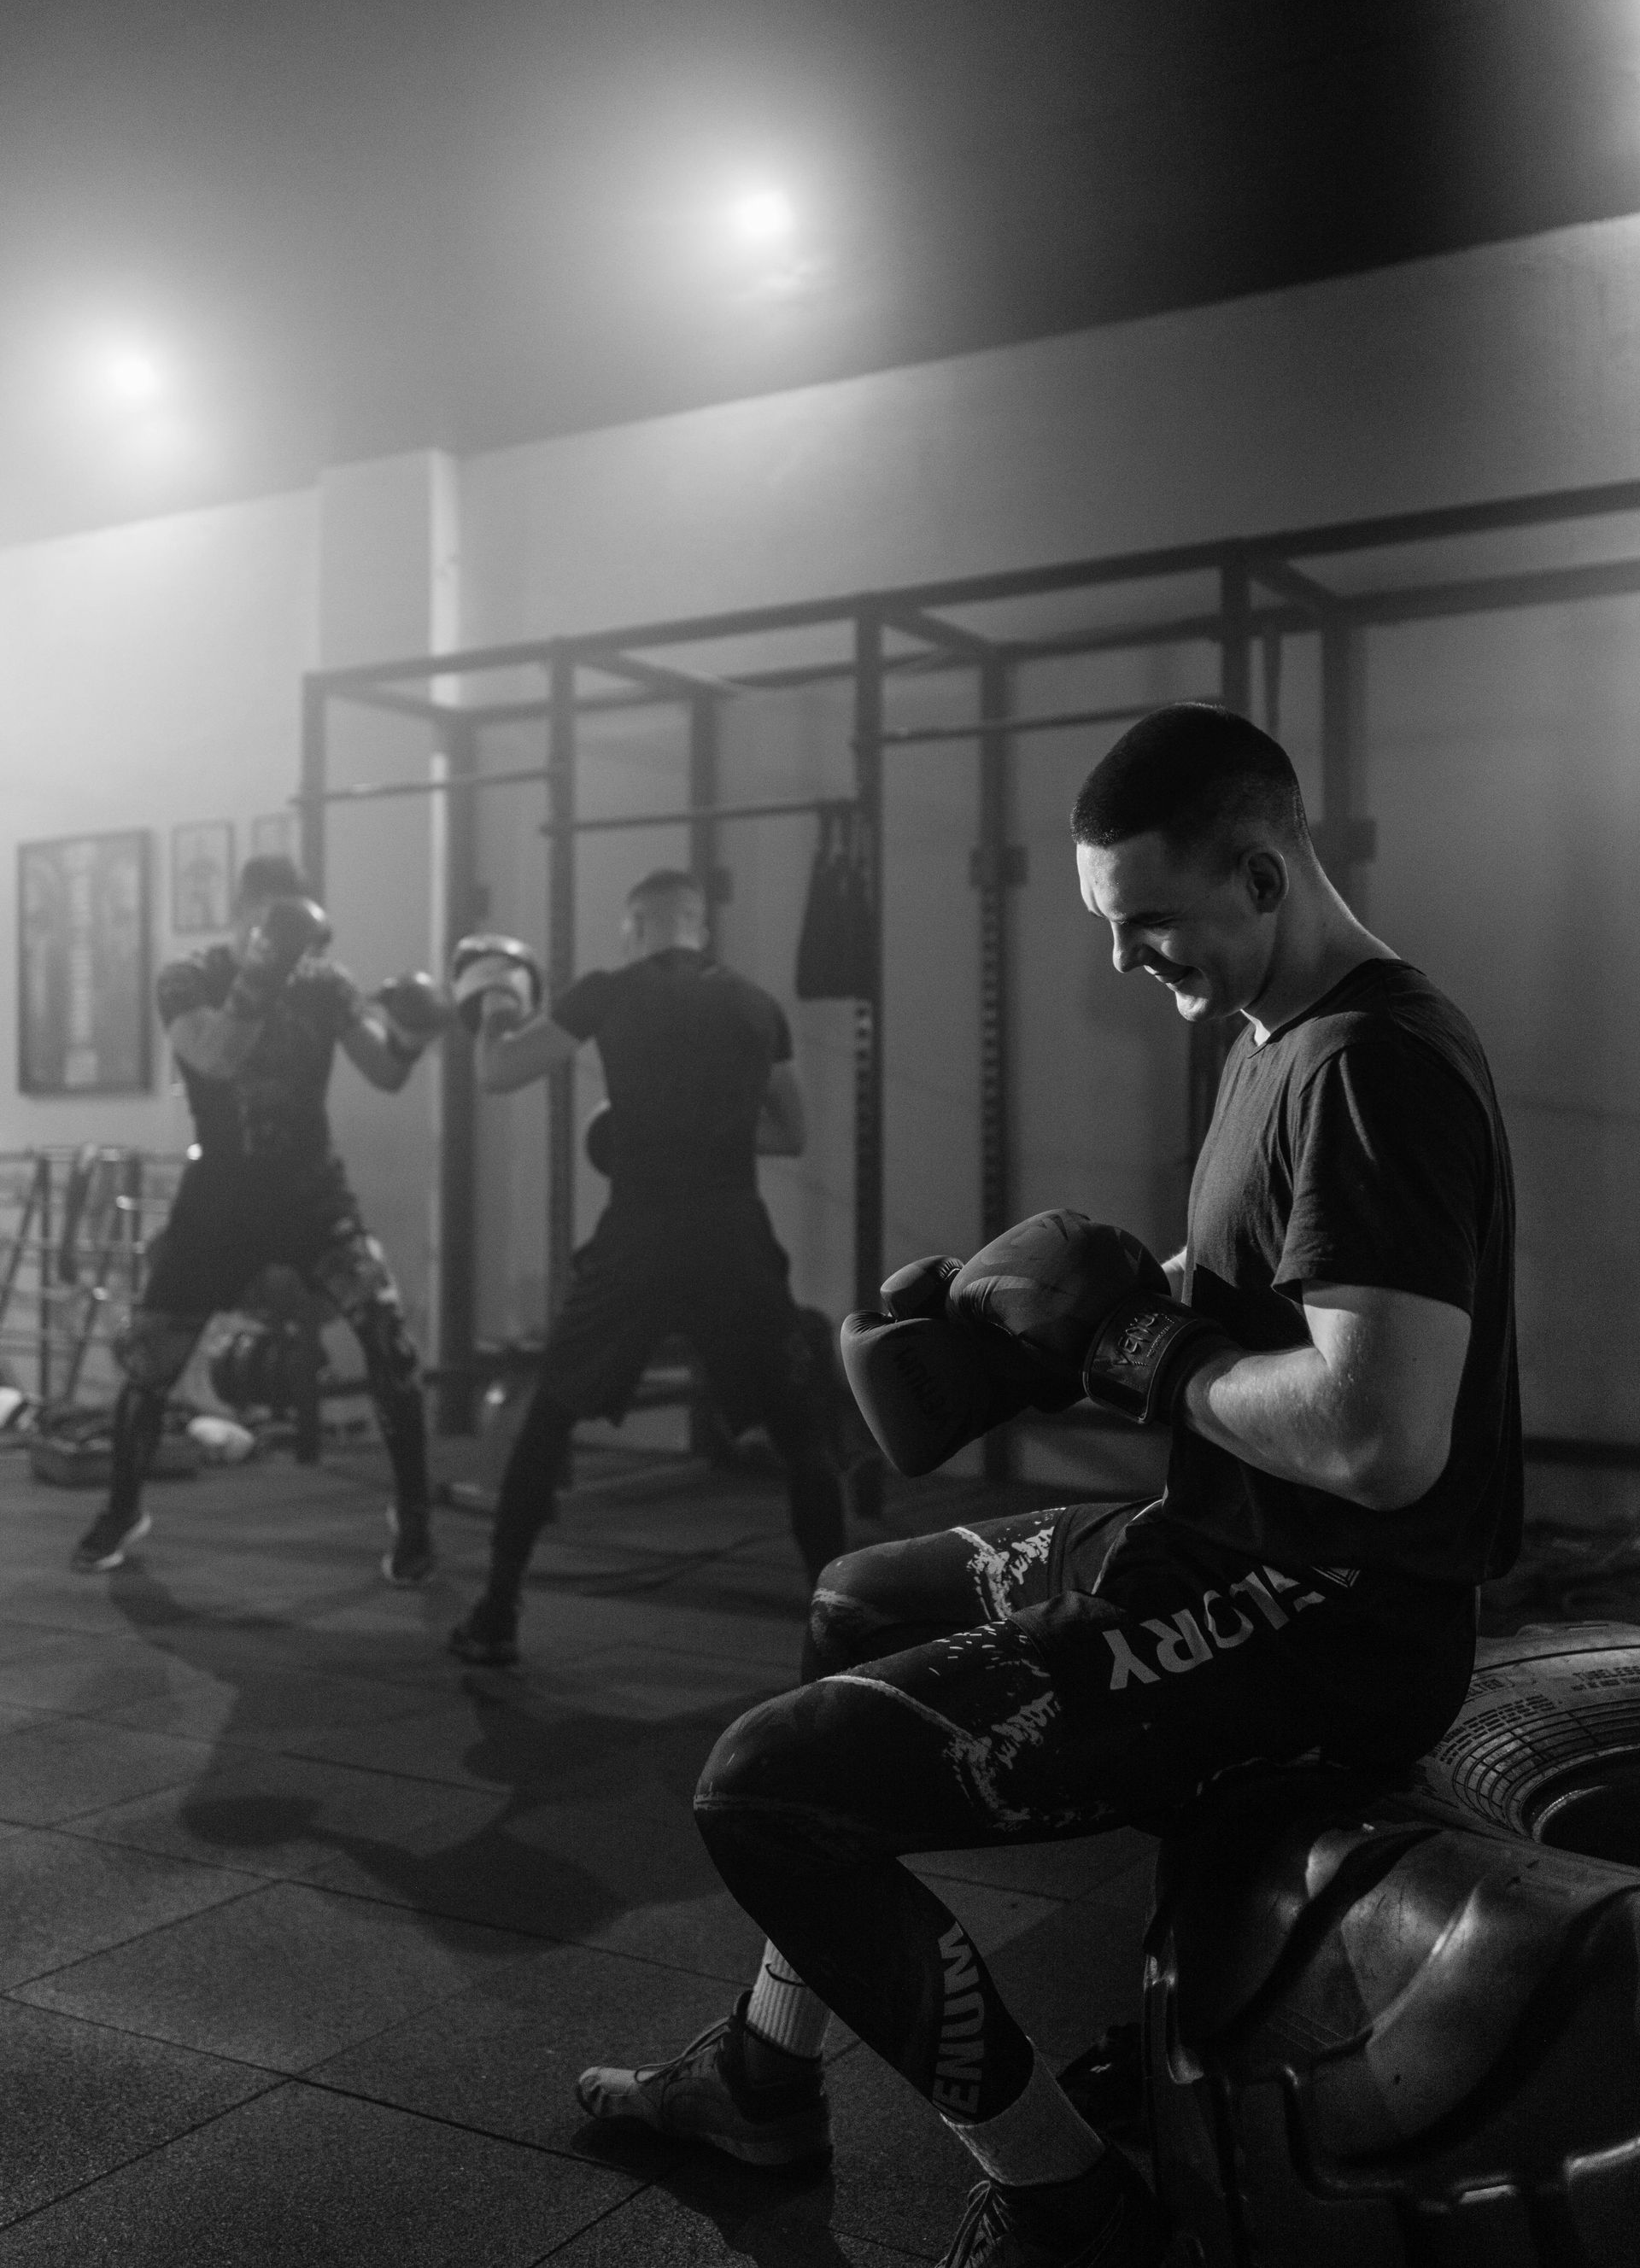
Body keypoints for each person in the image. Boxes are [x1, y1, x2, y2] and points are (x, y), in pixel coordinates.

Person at [574, 705, 1520, 2268]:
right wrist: (1021, 1317)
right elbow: (1258, 1289)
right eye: (1109, 922)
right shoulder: (1280, 1037)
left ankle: (1060, 2195)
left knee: (763, 1788)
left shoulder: (1376, 1069)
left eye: (1151, 920)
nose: (1127, 958)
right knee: (853, 1599)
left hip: (1332, 1614)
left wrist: (1139, 1347)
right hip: (1226, 1542)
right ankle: (764, 2073)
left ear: (1266, 872)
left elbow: (1380, 1438)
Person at [447, 867, 848, 1668]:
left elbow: (498, 1072)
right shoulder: (756, 1004)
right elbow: (791, 1134)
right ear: (700, 924)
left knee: (552, 1413)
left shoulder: (607, 989)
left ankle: (496, 1613)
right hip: (732, 1235)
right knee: (804, 1434)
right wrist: (714, 1133)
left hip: (639, 1235)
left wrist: (494, 1001)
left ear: (635, 926)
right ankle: (844, 1637)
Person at [73, 856, 448, 1583]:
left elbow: (385, 1072)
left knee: (387, 1335)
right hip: (219, 1197)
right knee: (152, 1362)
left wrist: (415, 1031)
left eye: (290, 924)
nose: (279, 938)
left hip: (312, 1190)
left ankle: (415, 1521)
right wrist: (263, 971)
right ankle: (122, 1509)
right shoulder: (187, 977)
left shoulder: (328, 985)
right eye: (268, 921)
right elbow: (211, 1057)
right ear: (242, 914)